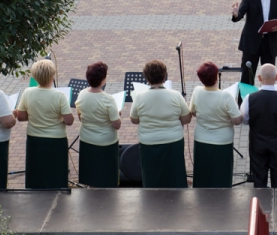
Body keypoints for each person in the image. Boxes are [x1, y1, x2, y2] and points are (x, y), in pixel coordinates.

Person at [130, 59, 191, 188]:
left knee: (152, 174)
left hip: (148, 142)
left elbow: (134, 120)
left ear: (146, 78)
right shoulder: (175, 95)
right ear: (164, 76)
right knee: (174, 173)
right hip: (173, 140)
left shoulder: (139, 97)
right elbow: (186, 119)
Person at [14, 59, 74, 189]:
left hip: (34, 138)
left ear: (35, 76)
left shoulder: (28, 92)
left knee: (36, 172)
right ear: (52, 76)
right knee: (56, 173)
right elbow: (69, 121)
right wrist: (59, 119)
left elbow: (21, 117)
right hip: (56, 139)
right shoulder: (60, 95)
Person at [241, 64, 277, 188]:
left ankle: (260, 204)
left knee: (259, 178)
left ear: (259, 78)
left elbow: (244, 120)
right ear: (276, 77)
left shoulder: (249, 98)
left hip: (257, 144)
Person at [188, 61, 243, 188]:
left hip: (201, 139)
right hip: (222, 142)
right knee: (221, 175)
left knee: (203, 174)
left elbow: (194, 112)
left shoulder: (197, 91)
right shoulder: (226, 96)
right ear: (216, 76)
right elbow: (237, 120)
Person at [75, 61, 122, 188]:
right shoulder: (109, 99)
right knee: (107, 177)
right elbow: (116, 125)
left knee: (91, 176)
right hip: (106, 142)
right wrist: (118, 114)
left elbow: (80, 117)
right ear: (103, 80)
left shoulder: (82, 94)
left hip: (87, 139)